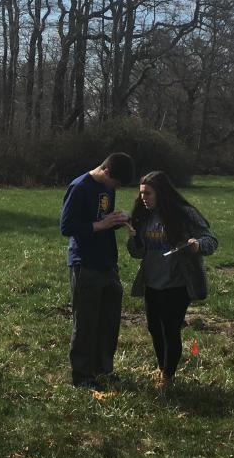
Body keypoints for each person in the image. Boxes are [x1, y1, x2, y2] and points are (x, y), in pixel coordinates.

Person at [125, 169, 218, 392]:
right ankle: (162, 367)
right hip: (152, 282)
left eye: (148, 193)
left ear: (161, 193)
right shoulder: (143, 216)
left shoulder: (184, 213)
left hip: (178, 283)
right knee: (153, 328)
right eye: (141, 194)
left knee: (170, 328)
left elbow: (211, 240)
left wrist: (197, 245)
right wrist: (133, 238)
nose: (143, 198)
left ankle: (168, 375)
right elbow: (137, 254)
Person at [59, 152, 135, 390]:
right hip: (86, 264)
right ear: (107, 172)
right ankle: (82, 377)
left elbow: (103, 219)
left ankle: (104, 370)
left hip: (107, 263)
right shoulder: (79, 187)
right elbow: (67, 226)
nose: (118, 187)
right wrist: (101, 225)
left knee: (109, 321)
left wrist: (117, 221)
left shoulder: (107, 187)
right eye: (118, 183)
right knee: (86, 323)